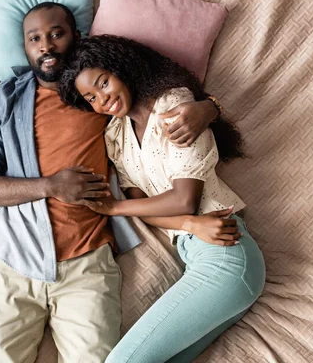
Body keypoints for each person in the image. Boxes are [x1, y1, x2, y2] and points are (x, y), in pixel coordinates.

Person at [0, 2, 225, 363]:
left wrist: (208, 107)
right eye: (34, 38)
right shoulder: (3, 102)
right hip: (12, 259)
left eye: (56, 34)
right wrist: (49, 186)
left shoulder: (100, 100)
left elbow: (156, 98)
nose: (46, 46)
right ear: (24, 47)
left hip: (88, 264)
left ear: (77, 37)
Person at [59, 35, 266, 363]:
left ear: (121, 69)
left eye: (103, 82)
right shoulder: (116, 136)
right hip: (196, 251)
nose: (102, 98)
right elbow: (147, 209)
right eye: (91, 97)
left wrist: (114, 208)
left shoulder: (174, 106)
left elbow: (183, 199)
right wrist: (188, 224)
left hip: (226, 254)